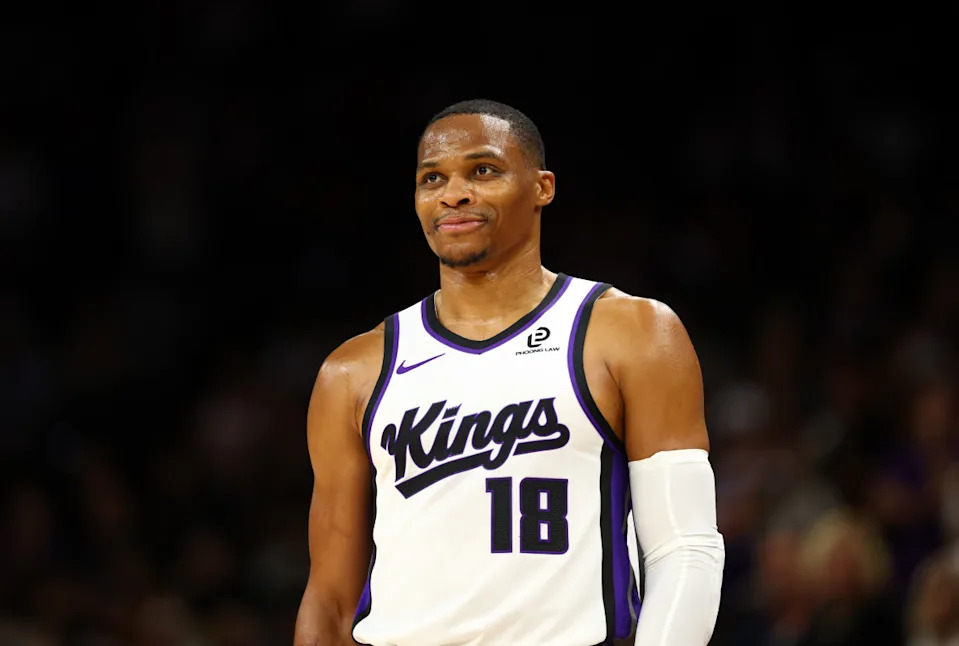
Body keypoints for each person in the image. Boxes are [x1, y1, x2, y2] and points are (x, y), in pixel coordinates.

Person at [293, 99, 725, 646]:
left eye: (483, 170)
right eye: (433, 179)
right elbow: (330, 601)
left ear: (542, 187)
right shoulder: (353, 370)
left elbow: (685, 548)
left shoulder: (631, 331)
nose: (453, 193)